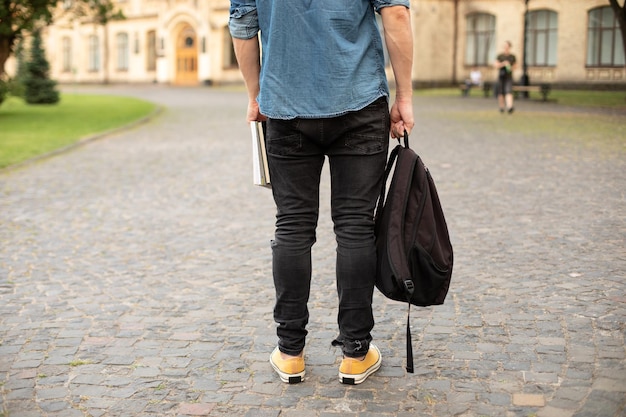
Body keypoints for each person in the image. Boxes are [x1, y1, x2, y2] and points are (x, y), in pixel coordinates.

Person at [229, 0, 414, 385]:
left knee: (293, 226)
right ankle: (355, 354)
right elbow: (395, 13)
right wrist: (405, 97)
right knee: (355, 227)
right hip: (359, 99)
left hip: (285, 105)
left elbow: (244, 24)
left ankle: (290, 352)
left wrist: (254, 94)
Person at [494, 41, 516, 113]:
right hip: (501, 76)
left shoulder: (512, 57)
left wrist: (510, 67)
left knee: (508, 91)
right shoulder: (500, 56)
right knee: (501, 93)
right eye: (505, 46)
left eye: (507, 46)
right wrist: (503, 63)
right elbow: (496, 66)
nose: (506, 48)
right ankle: (501, 107)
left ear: (509, 47)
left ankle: (510, 107)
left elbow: (515, 66)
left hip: (508, 76)